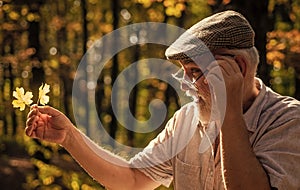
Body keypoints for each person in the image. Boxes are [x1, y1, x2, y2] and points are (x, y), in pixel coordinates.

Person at [25, 10, 300, 189]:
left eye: (195, 72)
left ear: (238, 68)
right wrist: (69, 137)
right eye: (184, 72)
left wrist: (228, 112)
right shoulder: (187, 120)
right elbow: (132, 180)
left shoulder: (288, 121)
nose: (187, 85)